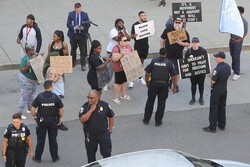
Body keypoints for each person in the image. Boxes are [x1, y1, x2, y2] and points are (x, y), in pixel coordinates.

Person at [143, 48, 179, 127]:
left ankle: (146, 120)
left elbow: (147, 73)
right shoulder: (169, 63)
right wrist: (174, 86)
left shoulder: (154, 61)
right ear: (166, 54)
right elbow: (174, 76)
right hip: (164, 85)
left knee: (150, 102)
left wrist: (147, 82)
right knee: (161, 103)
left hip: (153, 84)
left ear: (159, 53)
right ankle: (158, 122)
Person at [30, 80, 64, 163]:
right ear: (51, 87)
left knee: (40, 140)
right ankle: (55, 157)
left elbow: (32, 109)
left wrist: (35, 117)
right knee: (53, 139)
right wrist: (59, 118)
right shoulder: (55, 97)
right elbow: (61, 108)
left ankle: (37, 158)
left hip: (42, 121)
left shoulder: (39, 97)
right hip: (53, 121)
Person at [79, 89, 114, 163]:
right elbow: (82, 120)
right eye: (88, 97)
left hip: (103, 134)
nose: (89, 99)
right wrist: (91, 110)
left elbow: (111, 116)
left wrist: (110, 129)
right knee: (91, 155)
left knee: (107, 154)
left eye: (91, 98)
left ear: (97, 97)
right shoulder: (85, 107)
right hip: (90, 135)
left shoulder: (105, 105)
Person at [203, 52, 231, 133]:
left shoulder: (217, 69)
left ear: (221, 58)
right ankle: (222, 125)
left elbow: (213, 82)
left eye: (216, 57)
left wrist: (211, 75)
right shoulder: (227, 66)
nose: (215, 58)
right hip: (224, 89)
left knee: (214, 108)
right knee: (222, 107)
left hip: (216, 90)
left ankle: (212, 127)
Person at [160, 17, 190, 92]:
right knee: (166, 71)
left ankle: (175, 85)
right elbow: (162, 39)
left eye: (179, 23)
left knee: (177, 72)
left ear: (182, 24)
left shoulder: (184, 32)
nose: (177, 24)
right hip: (167, 55)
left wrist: (181, 43)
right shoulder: (168, 29)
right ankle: (168, 82)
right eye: (176, 22)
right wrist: (162, 49)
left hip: (178, 56)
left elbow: (188, 44)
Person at [43, 51, 69, 131]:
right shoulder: (51, 69)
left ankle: (56, 121)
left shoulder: (57, 67)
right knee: (58, 108)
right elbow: (51, 81)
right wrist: (58, 75)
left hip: (59, 91)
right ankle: (58, 122)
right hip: (55, 92)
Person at [106, 18, 131, 90]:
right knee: (110, 68)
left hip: (121, 51)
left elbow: (128, 38)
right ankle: (106, 84)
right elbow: (118, 39)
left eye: (122, 23)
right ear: (116, 24)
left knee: (119, 68)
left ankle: (116, 83)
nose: (121, 24)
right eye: (120, 23)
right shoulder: (113, 31)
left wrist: (125, 32)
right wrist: (122, 33)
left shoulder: (124, 30)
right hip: (111, 51)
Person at [67, 2, 90, 71]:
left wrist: (82, 28)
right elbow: (68, 24)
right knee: (73, 50)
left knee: (82, 50)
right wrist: (74, 27)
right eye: (77, 10)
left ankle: (83, 65)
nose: (78, 11)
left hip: (81, 35)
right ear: (75, 9)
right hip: (73, 35)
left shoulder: (85, 14)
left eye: (79, 10)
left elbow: (88, 24)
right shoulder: (71, 14)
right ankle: (72, 63)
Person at [185, 37, 208, 105]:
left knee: (201, 85)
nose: (195, 44)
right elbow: (185, 62)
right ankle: (193, 97)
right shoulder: (189, 52)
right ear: (192, 44)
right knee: (193, 85)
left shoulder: (203, 51)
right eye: (193, 43)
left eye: (196, 43)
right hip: (192, 72)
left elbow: (206, 61)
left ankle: (201, 97)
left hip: (201, 72)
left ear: (199, 43)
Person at [18, 44, 38, 120]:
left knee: (32, 95)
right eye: (32, 50)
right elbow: (22, 70)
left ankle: (30, 108)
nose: (33, 51)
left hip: (33, 80)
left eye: (33, 49)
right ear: (28, 51)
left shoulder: (34, 56)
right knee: (25, 96)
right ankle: (20, 113)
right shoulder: (25, 59)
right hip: (26, 80)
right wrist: (28, 66)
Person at [111, 35, 133, 104]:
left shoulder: (128, 46)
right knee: (118, 84)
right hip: (119, 69)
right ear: (120, 41)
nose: (126, 42)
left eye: (127, 40)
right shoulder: (116, 48)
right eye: (125, 40)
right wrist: (121, 54)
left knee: (124, 82)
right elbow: (114, 59)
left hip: (126, 68)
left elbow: (132, 53)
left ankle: (123, 95)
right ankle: (115, 97)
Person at [47, 30, 69, 98]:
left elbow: (67, 56)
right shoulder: (51, 44)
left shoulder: (64, 44)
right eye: (53, 36)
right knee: (52, 78)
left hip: (60, 65)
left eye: (55, 36)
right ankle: (52, 92)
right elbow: (48, 55)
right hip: (52, 64)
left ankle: (60, 92)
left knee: (59, 78)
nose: (53, 37)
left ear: (59, 37)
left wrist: (66, 54)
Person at [230, 6, 248, 81]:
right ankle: (234, 69)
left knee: (236, 56)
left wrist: (240, 39)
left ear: (241, 12)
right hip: (232, 39)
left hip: (238, 41)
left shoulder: (244, 21)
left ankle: (237, 73)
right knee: (232, 55)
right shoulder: (234, 19)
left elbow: (245, 32)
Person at [131, 11, 148, 85]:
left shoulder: (147, 23)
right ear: (139, 16)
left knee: (141, 62)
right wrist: (133, 36)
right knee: (136, 63)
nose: (144, 17)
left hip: (145, 46)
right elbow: (131, 36)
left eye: (144, 15)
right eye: (142, 15)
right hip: (138, 46)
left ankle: (140, 78)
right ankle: (132, 80)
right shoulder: (135, 25)